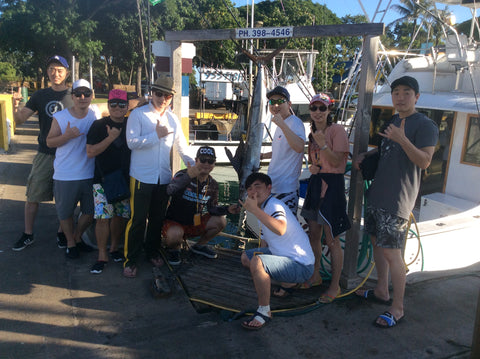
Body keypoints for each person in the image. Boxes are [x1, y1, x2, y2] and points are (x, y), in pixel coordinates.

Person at [354, 76, 439, 328]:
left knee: (393, 254)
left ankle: (398, 308)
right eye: (396, 93)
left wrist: (403, 139)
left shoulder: (425, 125)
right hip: (378, 194)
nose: (400, 97)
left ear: (417, 97)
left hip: (398, 200)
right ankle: (382, 290)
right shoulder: (393, 120)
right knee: (376, 244)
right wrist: (364, 154)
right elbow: (385, 150)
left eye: (406, 92)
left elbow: (424, 161)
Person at [123, 75, 194, 278]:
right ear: (152, 93)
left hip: (163, 178)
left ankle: (152, 251)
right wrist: (156, 135)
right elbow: (131, 142)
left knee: (156, 220)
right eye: (159, 93)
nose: (162, 98)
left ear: (171, 98)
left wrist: (193, 162)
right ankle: (130, 259)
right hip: (140, 177)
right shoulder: (138, 114)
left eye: (167, 95)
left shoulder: (173, 118)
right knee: (137, 220)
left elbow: (181, 145)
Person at [11, 55, 72, 251]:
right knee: (33, 195)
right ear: (47, 72)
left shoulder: (74, 96)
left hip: (68, 156)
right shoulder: (39, 96)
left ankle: (62, 233)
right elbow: (20, 119)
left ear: (67, 73)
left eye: (60, 70)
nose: (56, 73)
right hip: (45, 154)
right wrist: (15, 105)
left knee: (64, 200)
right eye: (52, 69)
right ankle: (28, 234)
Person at [239, 173, 315, 330]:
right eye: (249, 188)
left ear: (269, 188)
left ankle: (264, 310)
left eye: (257, 186)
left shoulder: (274, 205)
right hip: (282, 257)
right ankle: (287, 283)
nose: (253, 191)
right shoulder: (263, 207)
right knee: (247, 257)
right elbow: (265, 240)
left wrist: (254, 210)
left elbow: (280, 229)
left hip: (301, 266)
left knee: (257, 262)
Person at [300, 93, 351, 301]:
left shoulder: (337, 130)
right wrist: (312, 166)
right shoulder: (312, 132)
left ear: (329, 110)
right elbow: (318, 161)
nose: (318, 112)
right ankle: (315, 275)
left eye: (322, 108)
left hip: (332, 186)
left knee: (332, 240)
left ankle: (335, 286)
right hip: (316, 184)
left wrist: (322, 145)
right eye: (314, 108)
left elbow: (338, 161)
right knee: (314, 234)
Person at [162, 146, 240, 265]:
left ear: (214, 164)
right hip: (174, 223)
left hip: (193, 224)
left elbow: (212, 209)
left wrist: (228, 209)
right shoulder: (183, 174)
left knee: (221, 221)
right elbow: (168, 190)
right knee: (175, 234)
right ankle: (174, 249)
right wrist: (188, 176)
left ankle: (199, 246)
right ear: (196, 160)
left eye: (210, 161)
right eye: (203, 159)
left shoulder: (213, 184)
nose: (206, 164)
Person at [46, 79, 97, 259]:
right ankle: (70, 242)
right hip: (65, 174)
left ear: (92, 95)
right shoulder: (61, 117)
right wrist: (66, 136)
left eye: (86, 93)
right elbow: (49, 142)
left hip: (89, 174)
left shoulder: (95, 114)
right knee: (65, 213)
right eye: (78, 94)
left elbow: (121, 106)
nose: (82, 97)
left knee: (90, 213)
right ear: (72, 96)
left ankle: (77, 238)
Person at [86, 89, 131, 274]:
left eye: (122, 104)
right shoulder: (98, 125)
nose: (117, 108)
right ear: (108, 105)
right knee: (103, 218)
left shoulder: (132, 124)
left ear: (127, 107)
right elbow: (90, 152)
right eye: (113, 104)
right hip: (103, 180)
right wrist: (110, 138)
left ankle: (114, 248)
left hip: (125, 179)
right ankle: (102, 254)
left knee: (120, 216)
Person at [260, 86, 306, 216]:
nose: (275, 105)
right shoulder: (280, 124)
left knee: (284, 231)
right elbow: (281, 151)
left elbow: (299, 147)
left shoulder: (294, 122)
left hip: (287, 190)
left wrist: (282, 125)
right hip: (272, 186)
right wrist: (262, 156)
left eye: (280, 101)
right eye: (271, 102)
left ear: (289, 104)